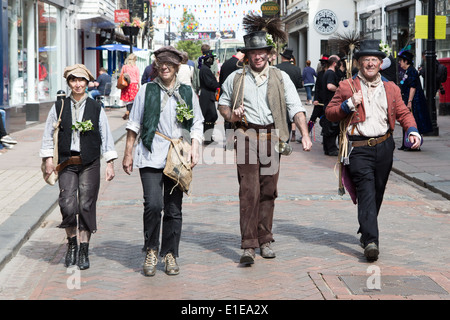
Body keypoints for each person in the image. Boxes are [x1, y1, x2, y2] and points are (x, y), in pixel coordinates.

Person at [218, 30, 312, 265]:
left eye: (262, 52)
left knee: (268, 189)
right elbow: (223, 105)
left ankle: (265, 239)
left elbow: (295, 106)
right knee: (249, 190)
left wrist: (305, 134)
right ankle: (249, 245)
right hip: (246, 133)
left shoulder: (280, 77)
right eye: (253, 52)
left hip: (273, 135)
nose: (258, 56)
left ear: (269, 54)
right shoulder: (235, 78)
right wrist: (232, 115)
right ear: (247, 55)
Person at [325, 40, 422, 262]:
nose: (370, 63)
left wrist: (413, 131)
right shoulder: (346, 86)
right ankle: (371, 241)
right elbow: (329, 113)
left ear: (380, 63)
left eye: (374, 60)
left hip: (385, 146)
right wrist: (347, 105)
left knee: (378, 191)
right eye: (366, 60)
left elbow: (404, 113)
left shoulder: (391, 88)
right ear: (359, 63)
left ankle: (366, 228)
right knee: (366, 191)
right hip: (359, 148)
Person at [122, 46, 204, 277]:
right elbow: (134, 124)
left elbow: (197, 123)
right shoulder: (146, 90)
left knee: (173, 209)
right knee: (153, 205)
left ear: (177, 66)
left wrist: (194, 148)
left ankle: (169, 253)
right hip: (150, 153)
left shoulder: (188, 93)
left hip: (177, 155)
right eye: (161, 63)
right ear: (156, 66)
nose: (165, 67)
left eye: (169, 63)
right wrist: (128, 154)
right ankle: (151, 249)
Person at [40, 64, 117, 270]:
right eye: (74, 80)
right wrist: (48, 159)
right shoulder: (59, 106)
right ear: (68, 83)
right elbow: (48, 133)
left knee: (85, 205)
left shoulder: (96, 107)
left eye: (81, 80)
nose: (78, 84)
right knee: (67, 204)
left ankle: (84, 248)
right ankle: (72, 244)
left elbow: (106, 134)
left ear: (87, 82)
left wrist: (109, 162)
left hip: (90, 163)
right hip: (66, 162)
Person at [398, 51, 433, 150]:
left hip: (415, 102)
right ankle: (405, 144)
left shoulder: (412, 71)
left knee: (413, 122)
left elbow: (413, 87)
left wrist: (409, 101)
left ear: (406, 61)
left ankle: (413, 145)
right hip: (408, 99)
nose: (400, 63)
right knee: (405, 121)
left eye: (401, 61)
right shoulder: (407, 71)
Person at [320, 55, 340, 156]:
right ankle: (331, 148)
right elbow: (329, 86)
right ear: (334, 63)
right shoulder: (331, 73)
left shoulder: (326, 73)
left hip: (327, 103)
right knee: (332, 127)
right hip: (331, 104)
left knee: (328, 127)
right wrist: (339, 89)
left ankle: (328, 148)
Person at [199, 50, 220, 144]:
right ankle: (207, 138)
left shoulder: (205, 69)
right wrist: (217, 83)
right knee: (210, 115)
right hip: (206, 95)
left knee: (211, 116)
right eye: (212, 59)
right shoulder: (205, 69)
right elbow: (210, 83)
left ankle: (209, 137)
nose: (213, 61)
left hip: (208, 95)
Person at [309, 55, 329, 131]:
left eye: (324, 63)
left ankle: (325, 135)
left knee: (327, 119)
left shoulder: (333, 74)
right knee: (313, 117)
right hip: (319, 100)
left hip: (328, 101)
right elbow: (317, 87)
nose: (322, 64)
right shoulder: (320, 74)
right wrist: (315, 99)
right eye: (322, 63)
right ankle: (307, 132)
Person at [119, 53, 140, 120]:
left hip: (126, 84)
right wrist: (139, 86)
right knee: (133, 100)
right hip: (133, 84)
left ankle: (128, 111)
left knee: (127, 100)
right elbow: (137, 78)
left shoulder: (124, 67)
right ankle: (129, 112)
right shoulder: (136, 67)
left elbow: (121, 75)